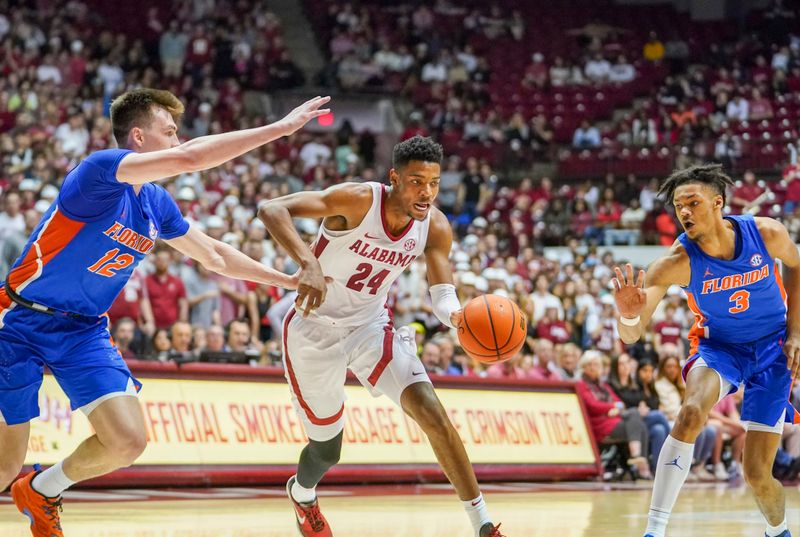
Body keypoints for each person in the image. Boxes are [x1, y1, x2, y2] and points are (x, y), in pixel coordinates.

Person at [1, 88, 329, 536]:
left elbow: (214, 254)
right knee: (2, 468)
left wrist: (287, 280)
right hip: (19, 320)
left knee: (127, 441)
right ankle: (19, 481)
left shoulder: (155, 203)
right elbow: (189, 159)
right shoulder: (98, 172)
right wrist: (280, 128)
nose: (177, 141)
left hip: (83, 331)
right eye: (169, 132)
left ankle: (41, 489)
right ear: (137, 136)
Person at [258, 136, 504, 537]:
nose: (426, 193)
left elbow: (442, 296)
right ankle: (303, 494)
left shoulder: (435, 225)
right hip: (313, 331)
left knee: (433, 415)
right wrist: (308, 263)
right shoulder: (357, 200)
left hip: (371, 326)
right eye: (416, 181)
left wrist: (457, 316)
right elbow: (272, 209)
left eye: (434, 183)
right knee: (326, 451)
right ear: (394, 178)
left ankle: (484, 525)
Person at [612, 164, 800, 537]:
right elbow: (630, 335)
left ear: (718, 203)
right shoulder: (676, 262)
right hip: (719, 348)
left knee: (758, 474)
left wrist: (795, 332)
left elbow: (796, 267)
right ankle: (654, 530)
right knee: (691, 411)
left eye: (692, 203)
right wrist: (629, 317)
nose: (684, 212)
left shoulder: (766, 233)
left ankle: (777, 530)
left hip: (772, 349)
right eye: (678, 206)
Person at [575, 350, 652, 478]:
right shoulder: (581, 384)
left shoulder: (602, 385)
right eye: (591, 365)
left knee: (639, 422)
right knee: (635, 417)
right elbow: (592, 405)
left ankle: (639, 463)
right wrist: (611, 407)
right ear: (584, 367)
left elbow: (620, 403)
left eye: (597, 365)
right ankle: (639, 462)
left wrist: (615, 408)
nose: (595, 368)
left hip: (612, 421)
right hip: (598, 425)